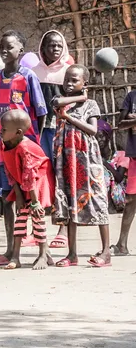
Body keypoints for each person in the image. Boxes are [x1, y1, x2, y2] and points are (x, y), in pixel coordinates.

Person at [0, 30, 47, 263]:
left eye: (9, 46)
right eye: (1, 46)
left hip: (24, 149)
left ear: (21, 51)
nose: (4, 50)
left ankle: (43, 250)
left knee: (31, 198)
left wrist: (34, 144)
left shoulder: (28, 77)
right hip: (3, 148)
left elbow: (41, 112)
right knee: (7, 198)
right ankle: (13, 251)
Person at [51, 65, 112, 268]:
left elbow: (93, 130)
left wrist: (69, 117)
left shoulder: (91, 105)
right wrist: (79, 98)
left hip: (87, 160)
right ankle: (72, 254)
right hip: (66, 161)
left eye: (74, 80)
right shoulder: (61, 102)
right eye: (66, 79)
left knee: (98, 200)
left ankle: (106, 252)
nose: (68, 83)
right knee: (69, 203)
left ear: (84, 83)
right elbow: (57, 102)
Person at [31, 29, 73, 250]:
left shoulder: (68, 71)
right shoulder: (33, 72)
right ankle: (35, 230)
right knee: (37, 177)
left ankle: (62, 227)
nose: (55, 49)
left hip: (61, 129)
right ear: (43, 48)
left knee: (60, 176)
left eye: (58, 45)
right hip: (40, 131)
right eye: (50, 45)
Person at [0, 109, 55, 270]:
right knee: (21, 218)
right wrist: (18, 195)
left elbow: (31, 174)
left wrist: (35, 202)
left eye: (4, 129)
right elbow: (10, 170)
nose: (0, 132)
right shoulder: (5, 144)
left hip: (37, 182)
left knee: (37, 217)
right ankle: (16, 256)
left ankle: (43, 253)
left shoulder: (25, 148)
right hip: (22, 183)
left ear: (17, 132)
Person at [113, 83, 136, 256]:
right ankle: (122, 244)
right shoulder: (131, 97)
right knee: (131, 201)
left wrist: (132, 119)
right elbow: (121, 124)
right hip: (135, 156)